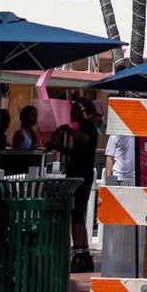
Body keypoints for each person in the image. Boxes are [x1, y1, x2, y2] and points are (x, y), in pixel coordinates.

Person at [50, 100, 99, 272]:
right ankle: (84, 253)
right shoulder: (84, 127)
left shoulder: (87, 127)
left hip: (81, 175)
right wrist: (58, 147)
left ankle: (78, 253)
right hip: (78, 172)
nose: (71, 114)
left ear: (82, 112)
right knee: (77, 215)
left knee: (77, 214)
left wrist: (67, 130)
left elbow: (84, 138)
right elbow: (77, 151)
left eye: (74, 111)